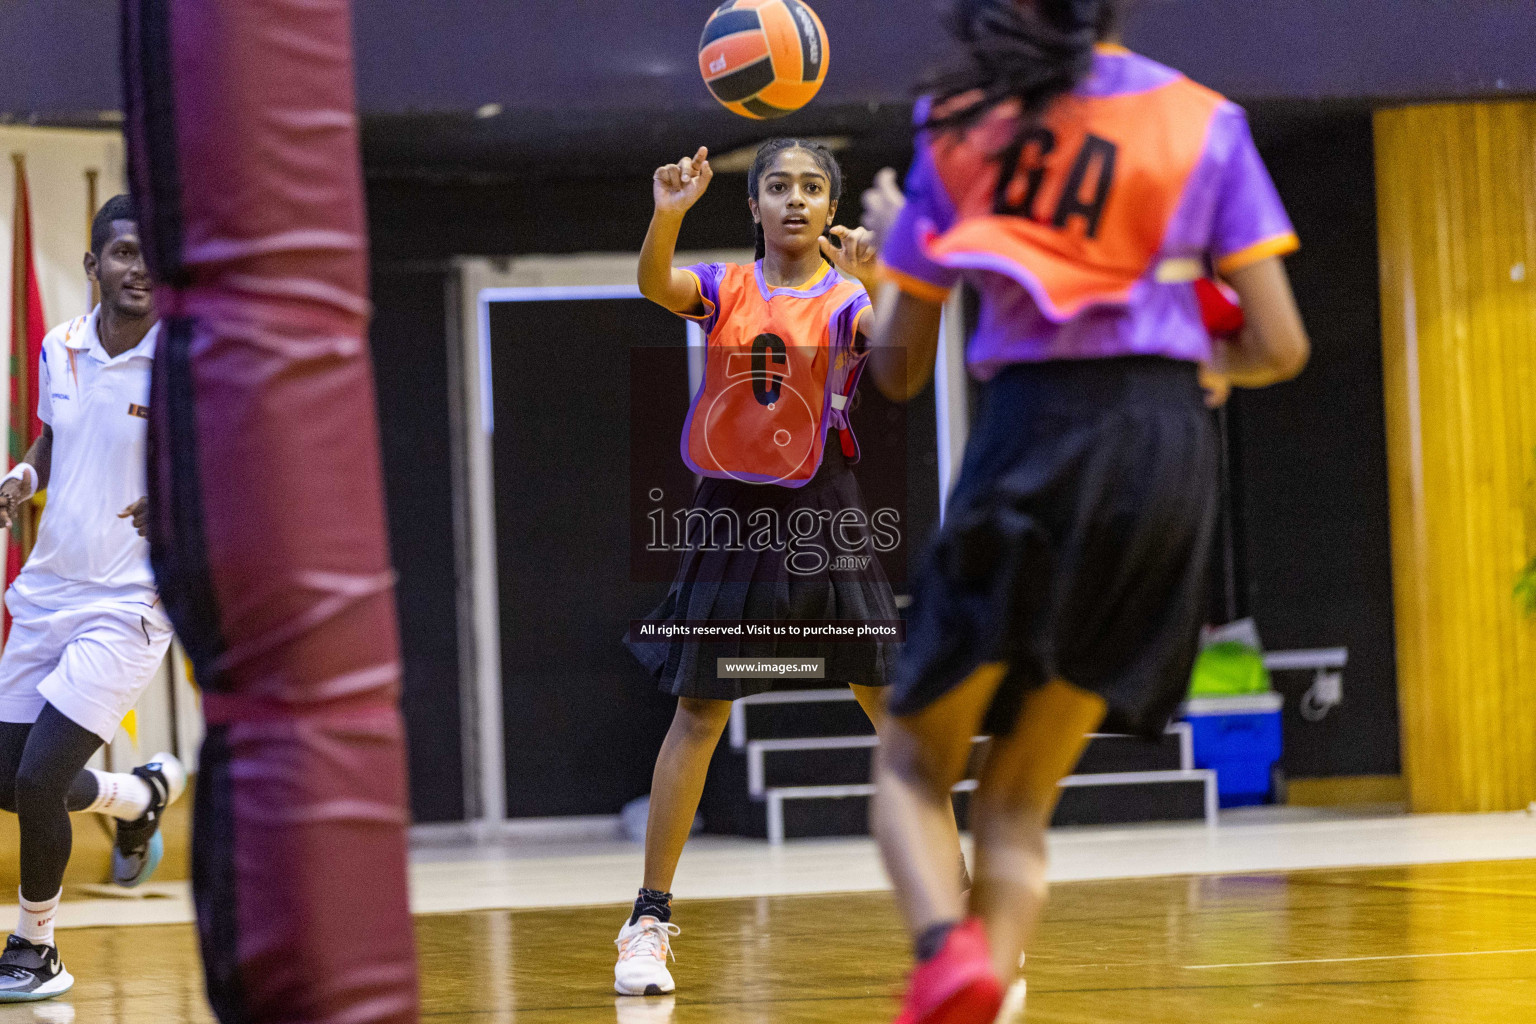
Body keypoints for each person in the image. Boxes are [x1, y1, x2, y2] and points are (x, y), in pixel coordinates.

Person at [861, 2, 1311, 1021]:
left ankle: (944, 949)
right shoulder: (1203, 118)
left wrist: (894, 250)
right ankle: (989, 985)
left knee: (908, 761)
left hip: (1036, 429)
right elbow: (1279, 345)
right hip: (1167, 449)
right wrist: (1217, 367)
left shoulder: (960, 123)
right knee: (1021, 798)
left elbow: (894, 374)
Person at [616, 139, 962, 997]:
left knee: (897, 711)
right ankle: (648, 921)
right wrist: (667, 217)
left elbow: (901, 369)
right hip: (733, 514)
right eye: (779, 186)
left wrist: (889, 284)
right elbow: (656, 286)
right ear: (756, 206)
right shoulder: (726, 288)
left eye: (812, 187)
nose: (796, 200)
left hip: (825, 514)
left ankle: (959, 928)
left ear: (828, 204)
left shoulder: (850, 296)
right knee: (700, 711)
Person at [0, 195, 187, 1002]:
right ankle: (136, 795)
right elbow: (53, 436)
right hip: (46, 590)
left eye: (151, 254)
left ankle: (35, 947)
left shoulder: (187, 360)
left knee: (40, 783)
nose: (137, 267)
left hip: (131, 600)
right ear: (93, 267)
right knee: (9, 779)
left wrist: (180, 500)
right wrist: (23, 476)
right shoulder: (60, 346)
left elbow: (234, 464)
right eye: (121, 253)